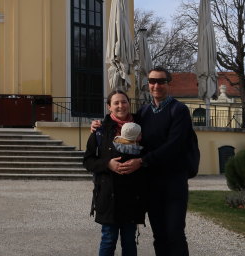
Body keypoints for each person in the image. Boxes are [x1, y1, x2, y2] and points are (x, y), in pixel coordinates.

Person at [93, 67, 194, 256]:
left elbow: (174, 145)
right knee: (159, 234)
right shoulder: (145, 112)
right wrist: (99, 124)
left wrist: (142, 161)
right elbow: (124, 122)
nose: (156, 85)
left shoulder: (178, 110)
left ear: (168, 83)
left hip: (173, 182)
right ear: (148, 84)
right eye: (153, 81)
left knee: (174, 233)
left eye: (161, 81)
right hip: (151, 183)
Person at [83, 90, 146, 256]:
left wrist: (140, 163)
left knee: (129, 240)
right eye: (116, 103)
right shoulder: (100, 131)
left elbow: (150, 156)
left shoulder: (142, 128)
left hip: (132, 194)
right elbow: (88, 161)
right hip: (108, 193)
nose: (120, 106)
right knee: (108, 239)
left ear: (129, 103)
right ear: (109, 107)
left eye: (124, 102)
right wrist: (107, 164)